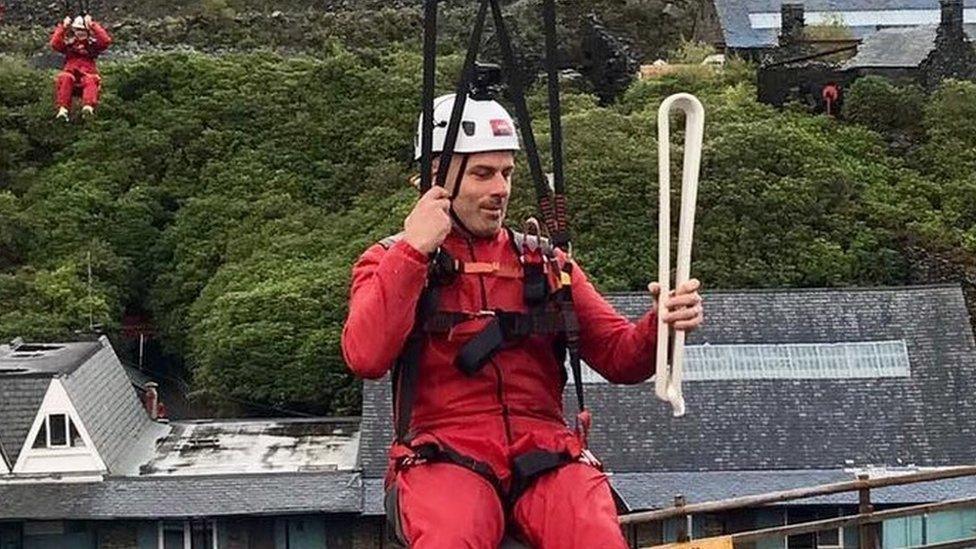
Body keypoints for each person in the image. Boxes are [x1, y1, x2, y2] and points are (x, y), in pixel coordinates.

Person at [341, 93, 704, 549]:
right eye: (483, 173)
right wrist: (414, 251)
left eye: (507, 173)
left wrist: (662, 324)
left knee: (593, 533)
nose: (501, 189)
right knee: (451, 537)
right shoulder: (391, 260)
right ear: (436, 178)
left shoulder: (545, 261)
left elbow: (618, 356)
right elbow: (365, 355)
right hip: (445, 452)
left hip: (544, 451)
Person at [49, 14, 112, 121]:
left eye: (83, 30)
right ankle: (63, 109)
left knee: (91, 79)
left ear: (87, 31)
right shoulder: (69, 45)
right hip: (71, 75)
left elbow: (106, 41)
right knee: (65, 77)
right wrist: (63, 27)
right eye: (78, 30)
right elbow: (55, 43)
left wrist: (92, 25)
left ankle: (88, 107)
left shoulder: (92, 45)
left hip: (87, 75)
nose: (80, 32)